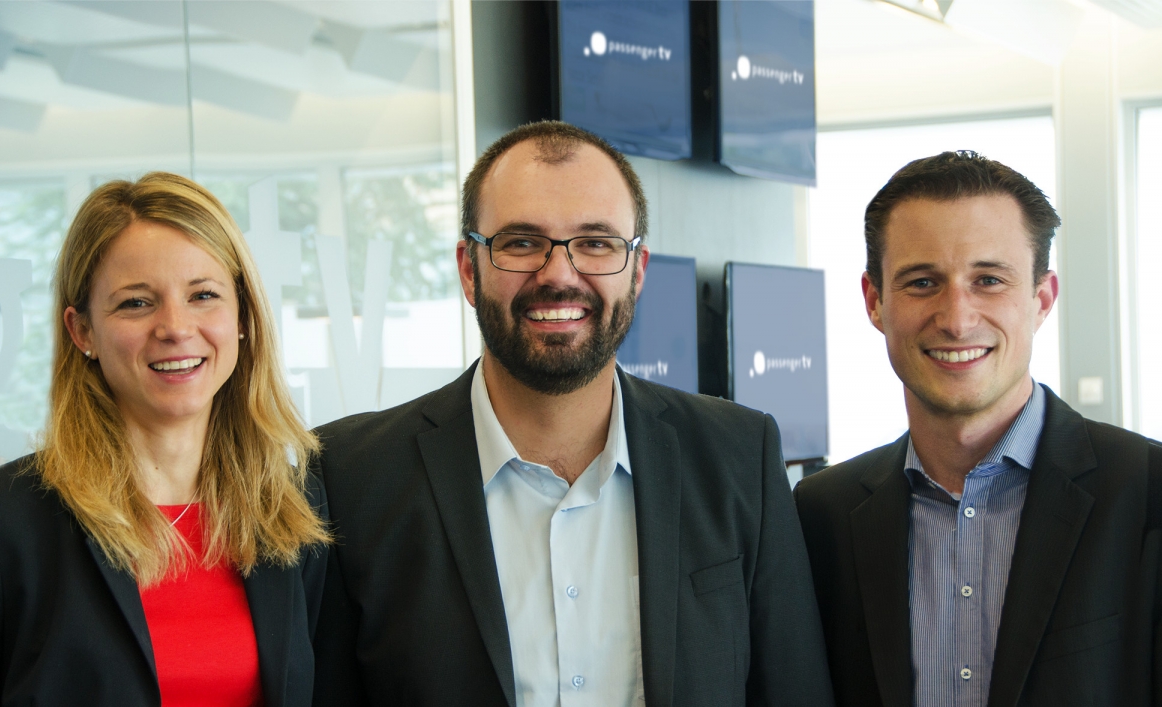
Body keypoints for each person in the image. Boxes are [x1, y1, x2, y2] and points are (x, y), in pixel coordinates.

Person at [310, 121, 834, 706]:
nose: (559, 274)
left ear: (637, 271)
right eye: (521, 242)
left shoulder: (738, 454)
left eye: (596, 243)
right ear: (469, 269)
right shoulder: (350, 476)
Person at [794, 151, 1161, 707]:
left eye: (988, 280)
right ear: (875, 302)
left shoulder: (1148, 491)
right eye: (922, 282)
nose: (957, 319)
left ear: (1042, 299)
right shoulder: (820, 515)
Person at [0, 172, 331, 707]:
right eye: (136, 303)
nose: (176, 327)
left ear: (243, 317)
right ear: (82, 331)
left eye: (203, 295)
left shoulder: (293, 510)